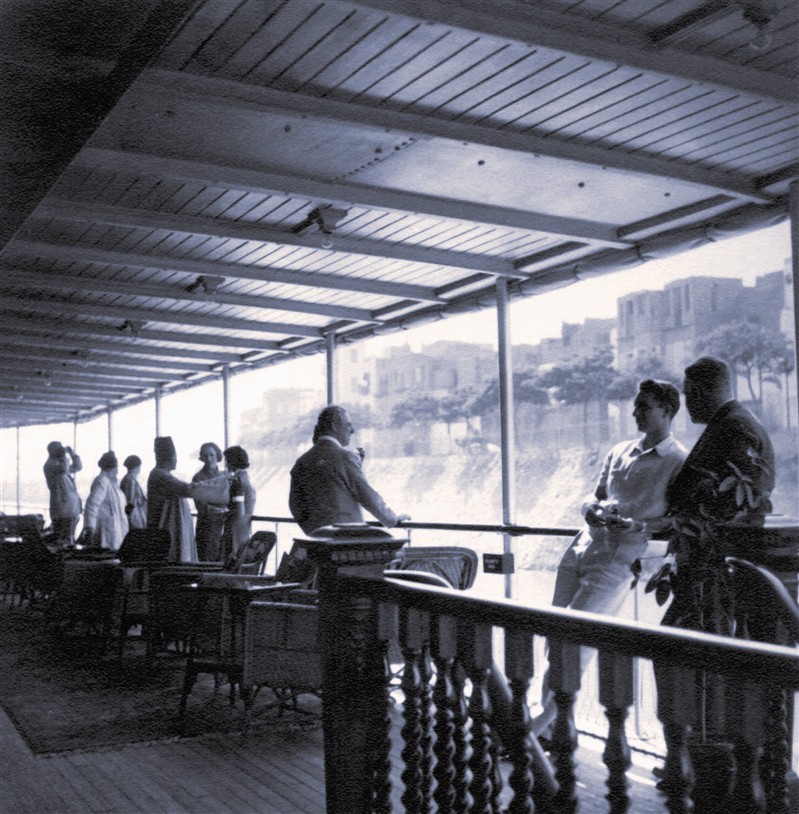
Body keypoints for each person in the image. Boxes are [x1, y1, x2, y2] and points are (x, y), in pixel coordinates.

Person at [534, 379, 688, 738]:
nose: (635, 412)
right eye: (635, 406)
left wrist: (638, 524)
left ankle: (539, 728)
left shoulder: (678, 461)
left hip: (621, 557)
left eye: (644, 406)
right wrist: (590, 508)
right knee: (555, 633)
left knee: (575, 637)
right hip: (582, 546)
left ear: (667, 411)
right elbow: (597, 492)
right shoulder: (620, 450)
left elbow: (678, 517)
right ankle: (560, 726)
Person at [289, 405, 409, 535]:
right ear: (335, 426)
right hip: (345, 542)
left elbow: (295, 505)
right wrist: (392, 519)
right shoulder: (345, 457)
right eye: (348, 425)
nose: (352, 430)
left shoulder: (302, 461)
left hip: (316, 541)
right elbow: (367, 496)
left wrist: (313, 532)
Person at [146, 436, 197, 562]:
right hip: (165, 532)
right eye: (175, 456)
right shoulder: (160, 476)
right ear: (168, 457)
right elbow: (187, 490)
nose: (176, 460)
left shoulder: (161, 475)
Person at [83, 452, 129, 550]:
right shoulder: (102, 481)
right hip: (107, 530)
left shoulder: (110, 483)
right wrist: (89, 527)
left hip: (115, 529)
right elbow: (92, 504)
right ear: (114, 468)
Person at [192, 442, 227, 561]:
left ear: (217, 455)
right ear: (202, 458)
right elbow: (200, 506)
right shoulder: (198, 478)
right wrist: (221, 510)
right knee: (207, 557)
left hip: (224, 524)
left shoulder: (225, 475)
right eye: (205, 456)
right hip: (207, 525)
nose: (209, 459)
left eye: (212, 455)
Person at [43, 441, 83, 544]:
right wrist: (63, 456)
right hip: (61, 508)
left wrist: (73, 454)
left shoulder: (60, 464)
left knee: (69, 538)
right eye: (58, 449)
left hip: (70, 507)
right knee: (61, 539)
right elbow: (64, 469)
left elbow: (78, 467)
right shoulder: (50, 465)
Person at [221, 445, 256, 563]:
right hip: (245, 528)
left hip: (235, 529)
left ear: (232, 462)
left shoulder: (237, 481)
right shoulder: (248, 479)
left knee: (232, 562)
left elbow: (239, 510)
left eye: (227, 461)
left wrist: (225, 514)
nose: (226, 465)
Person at [120, 454, 147, 530]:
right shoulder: (130, 480)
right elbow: (129, 501)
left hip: (134, 518)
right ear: (137, 467)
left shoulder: (129, 479)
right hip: (134, 519)